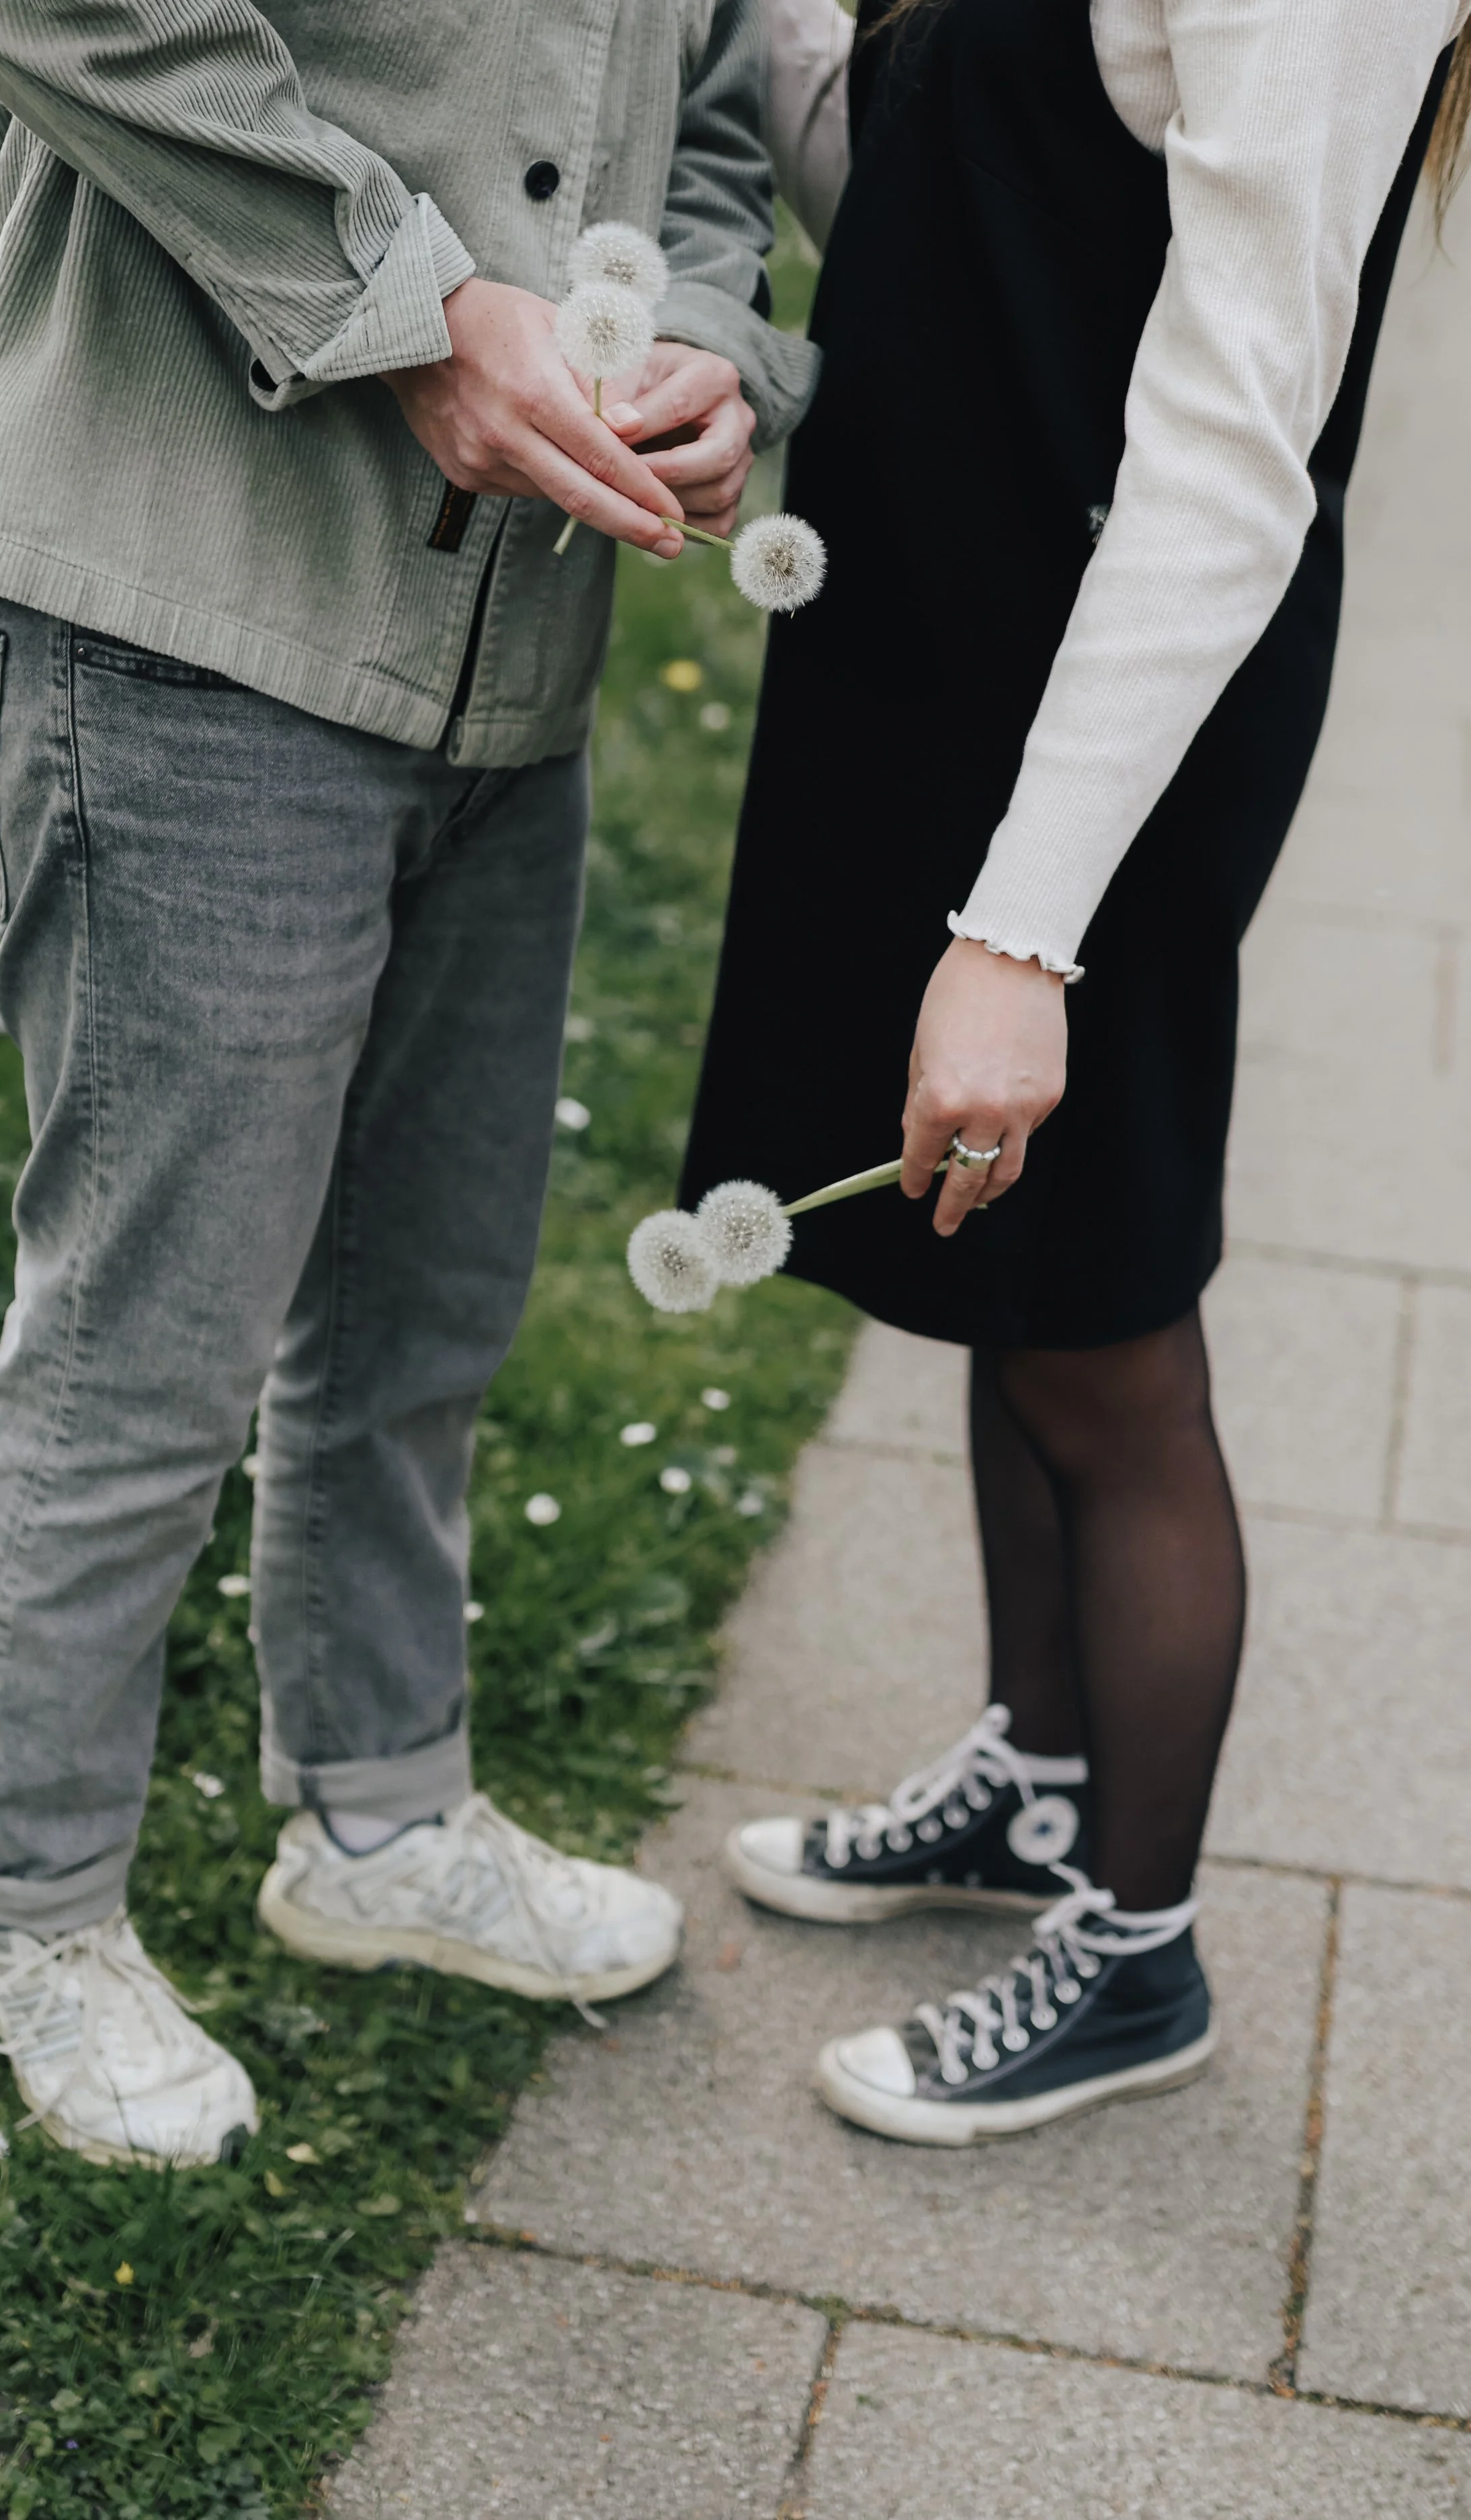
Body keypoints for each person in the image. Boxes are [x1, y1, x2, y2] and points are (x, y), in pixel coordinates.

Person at [0, 0, 818, 2169]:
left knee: (420, 1306)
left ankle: (379, 1821)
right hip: (184, 612)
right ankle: (27, 1907)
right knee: (150, 1335)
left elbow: (695, 123)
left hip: (507, 665)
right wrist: (401, 305)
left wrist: (706, 340)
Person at [687, 0, 1470, 2142]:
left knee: (1101, 1322)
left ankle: (1135, 1951)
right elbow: (947, 206)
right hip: (948, 627)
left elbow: (1236, 442)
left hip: (1119, 689)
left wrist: (1018, 932)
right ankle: (1034, 1773)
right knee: (992, 1246)